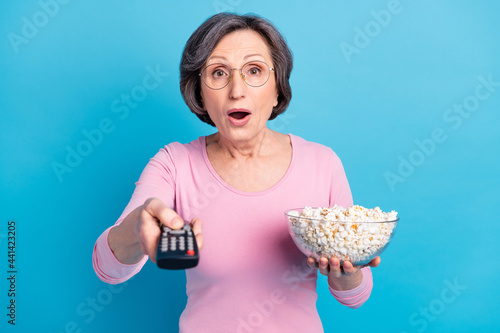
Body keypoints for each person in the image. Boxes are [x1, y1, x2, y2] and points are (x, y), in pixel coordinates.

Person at [92, 12, 381, 332]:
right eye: (218, 73)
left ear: (276, 89)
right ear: (200, 93)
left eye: (254, 71)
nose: (236, 90)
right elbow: (108, 269)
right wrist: (137, 229)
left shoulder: (322, 164)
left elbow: (356, 295)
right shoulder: (174, 163)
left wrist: (347, 272)